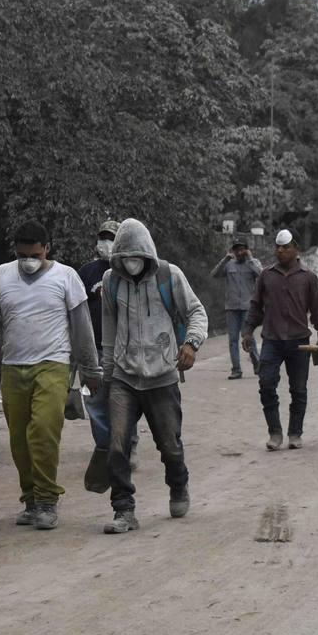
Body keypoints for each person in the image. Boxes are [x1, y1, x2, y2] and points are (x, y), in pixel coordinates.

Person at [0, 220, 101, 530]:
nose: (28, 260)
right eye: (22, 254)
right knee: (19, 440)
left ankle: (47, 500)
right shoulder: (1, 275)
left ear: (47, 249)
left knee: (43, 431)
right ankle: (30, 499)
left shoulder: (66, 277)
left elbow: (81, 328)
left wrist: (90, 370)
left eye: (34, 253)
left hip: (53, 365)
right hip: (14, 367)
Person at [99, 219, 209, 533]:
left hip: (162, 375)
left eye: (136, 256)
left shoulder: (169, 276)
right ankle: (123, 510)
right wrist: (107, 372)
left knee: (170, 445)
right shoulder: (111, 281)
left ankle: (178, 485)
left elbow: (197, 312)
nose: (130, 262)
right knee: (117, 444)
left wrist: (191, 343)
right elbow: (108, 327)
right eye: (124, 257)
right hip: (124, 374)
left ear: (148, 254)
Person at [242, 229, 318, 451]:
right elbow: (255, 305)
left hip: (299, 341)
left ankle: (295, 433)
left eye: (286, 247)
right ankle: (275, 431)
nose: (280, 251)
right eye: (278, 247)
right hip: (271, 340)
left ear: (296, 249)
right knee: (266, 384)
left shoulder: (308, 277)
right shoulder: (266, 276)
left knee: (298, 389)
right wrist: (247, 330)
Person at [77, 220, 138, 469]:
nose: (106, 243)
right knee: (95, 400)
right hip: (93, 348)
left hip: (124, 347)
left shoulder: (131, 270)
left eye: (111, 237)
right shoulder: (87, 272)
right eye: (102, 237)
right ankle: (105, 447)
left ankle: (128, 445)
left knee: (126, 398)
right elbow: (77, 309)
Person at [211, 237, 262, 379]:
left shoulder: (253, 263)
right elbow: (214, 274)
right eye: (236, 249)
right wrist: (225, 259)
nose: (239, 252)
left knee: (248, 337)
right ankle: (236, 369)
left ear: (246, 250)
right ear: (233, 250)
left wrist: (250, 258)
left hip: (247, 307)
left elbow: (262, 275)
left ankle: (257, 363)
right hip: (231, 308)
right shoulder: (229, 264)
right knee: (232, 339)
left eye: (242, 249)